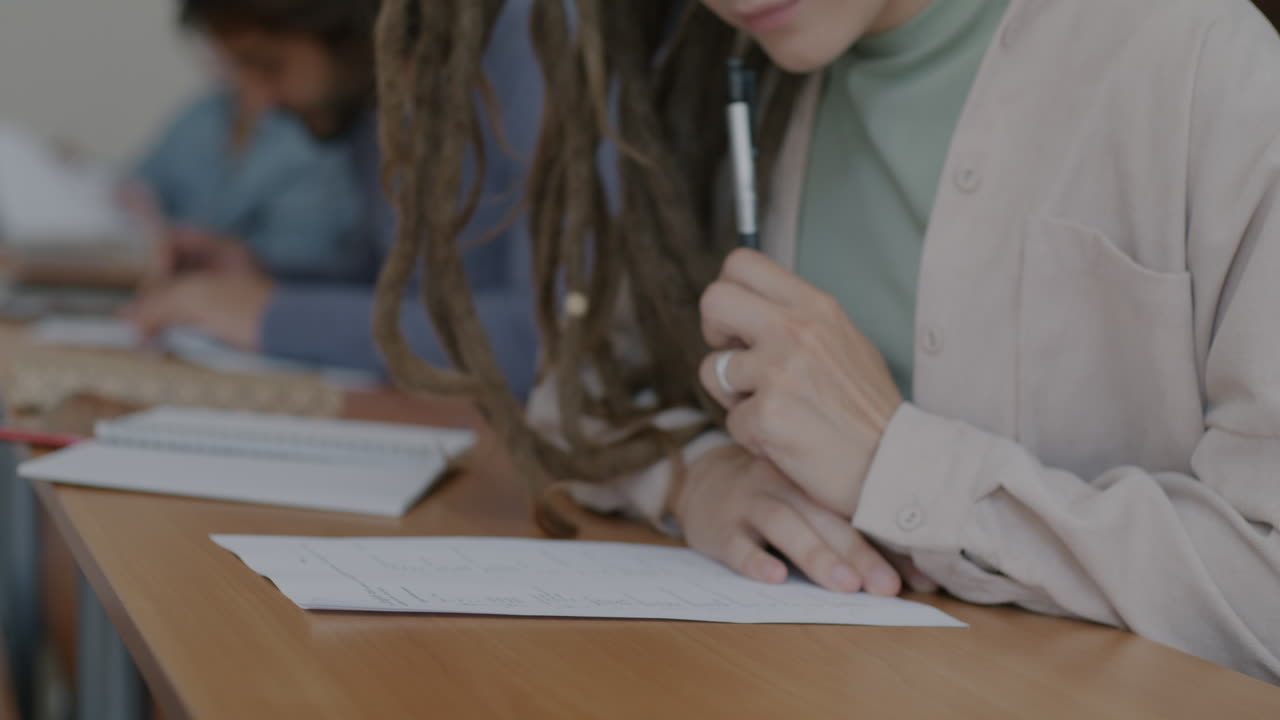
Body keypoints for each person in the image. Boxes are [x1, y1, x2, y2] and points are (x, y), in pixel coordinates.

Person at [374, 0, 1280, 682]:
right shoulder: (740, 76)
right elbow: (579, 394)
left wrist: (899, 466)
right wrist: (699, 478)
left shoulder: (1210, 66)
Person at [127, 0, 541, 396]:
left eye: (269, 65)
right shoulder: (373, 98)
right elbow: (403, 287)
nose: (259, 104)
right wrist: (263, 277)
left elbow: (544, 343)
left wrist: (273, 317)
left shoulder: (536, 47)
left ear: (347, 18)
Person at [134, 68, 364, 283]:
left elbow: (310, 255)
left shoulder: (315, 130)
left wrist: (247, 260)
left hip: (267, 294)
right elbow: (138, 185)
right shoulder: (205, 112)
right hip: (180, 287)